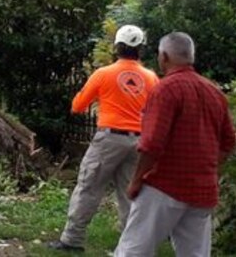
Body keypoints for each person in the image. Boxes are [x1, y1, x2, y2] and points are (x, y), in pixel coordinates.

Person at [114, 33, 236, 257]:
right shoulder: (214, 93)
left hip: (163, 185)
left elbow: (152, 143)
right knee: (195, 253)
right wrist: (209, 168)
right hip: (203, 189)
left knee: (134, 249)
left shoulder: (166, 89)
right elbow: (229, 141)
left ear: (164, 57)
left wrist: (136, 180)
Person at [49, 25, 160, 252]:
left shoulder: (103, 74)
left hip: (109, 139)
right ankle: (132, 248)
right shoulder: (151, 78)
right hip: (139, 143)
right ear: (141, 49)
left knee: (89, 187)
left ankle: (72, 240)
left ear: (117, 47)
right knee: (131, 193)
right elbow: (157, 112)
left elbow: (78, 106)